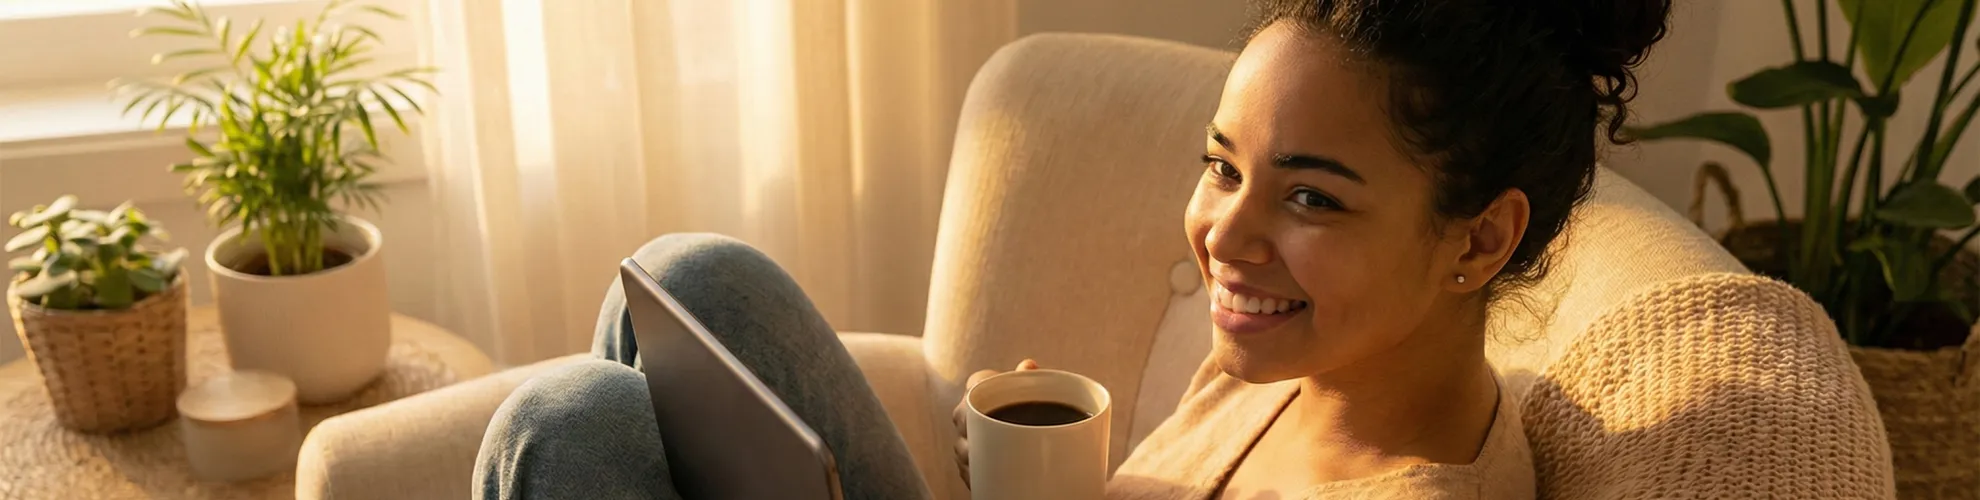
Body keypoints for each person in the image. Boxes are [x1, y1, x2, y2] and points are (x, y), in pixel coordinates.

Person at [472, 0, 1671, 498]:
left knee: (573, 420)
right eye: (1223, 166)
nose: (1225, 237)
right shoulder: (1302, 362)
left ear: (1481, 236)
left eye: (1310, 198)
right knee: (691, 274)